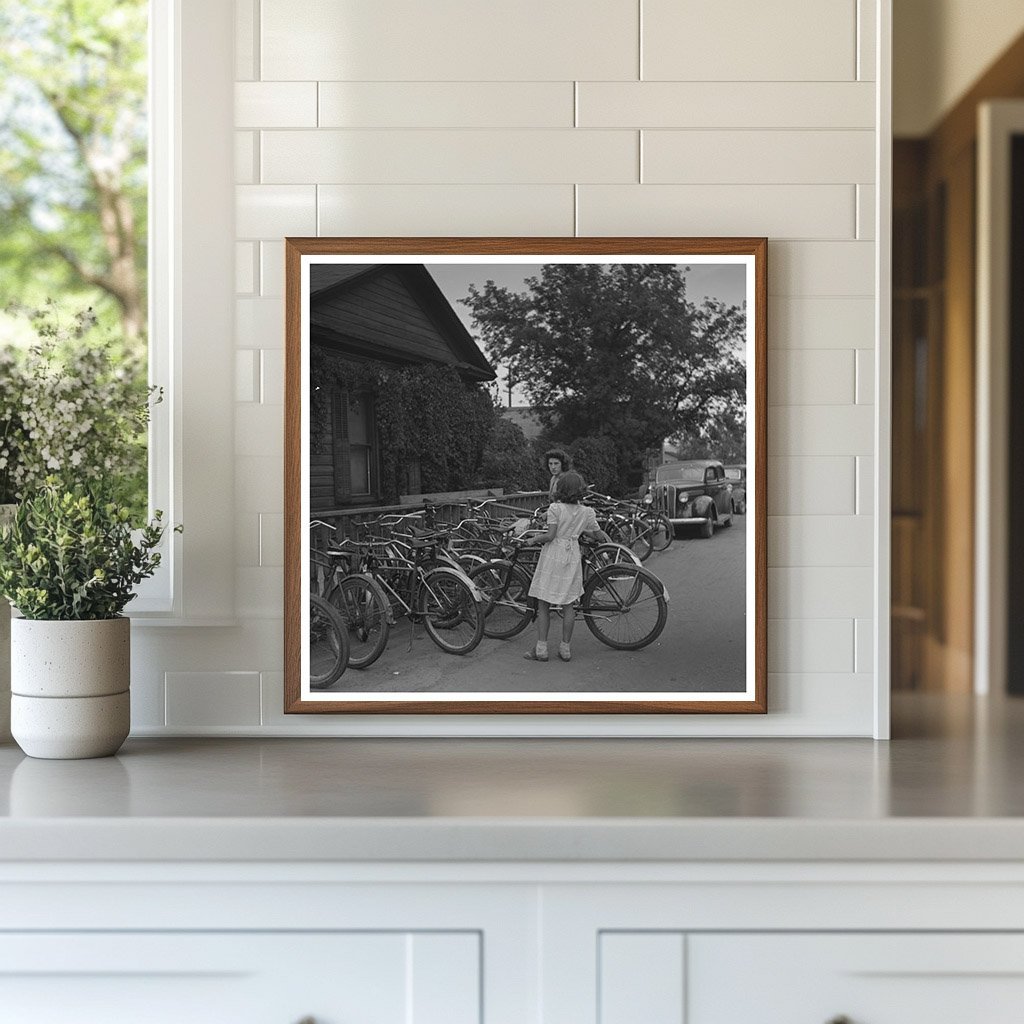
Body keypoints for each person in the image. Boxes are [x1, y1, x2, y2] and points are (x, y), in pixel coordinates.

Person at [523, 471, 609, 663]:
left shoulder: (555, 508)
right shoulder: (587, 512)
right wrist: (580, 532)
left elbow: (551, 535)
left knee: (544, 602)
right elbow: (597, 534)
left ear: (561, 489)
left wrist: (533, 539)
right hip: (572, 556)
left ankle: (542, 648)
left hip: (553, 554)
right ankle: (565, 648)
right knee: (568, 603)